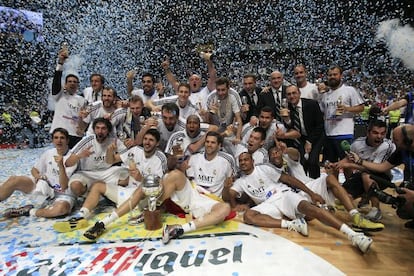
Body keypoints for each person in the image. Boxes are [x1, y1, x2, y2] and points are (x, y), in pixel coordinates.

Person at [224, 152, 373, 253]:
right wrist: (230, 196)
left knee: (311, 209)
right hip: (269, 204)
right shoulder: (241, 181)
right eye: (241, 161)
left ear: (252, 161)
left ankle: (354, 235)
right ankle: (293, 224)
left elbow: (289, 180)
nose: (243, 162)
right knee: (249, 216)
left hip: (283, 195)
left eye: (246, 159)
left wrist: (311, 193)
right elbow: (229, 195)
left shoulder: (263, 169)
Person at [77, 155, 230, 243]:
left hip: (195, 201)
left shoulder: (180, 175)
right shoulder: (169, 175)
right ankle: (103, 223)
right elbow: (138, 197)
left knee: (225, 208)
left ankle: (178, 230)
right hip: (176, 196)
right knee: (147, 185)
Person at [53, 128, 167, 232]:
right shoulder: (136, 150)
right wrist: (109, 151)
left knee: (140, 188)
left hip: (142, 200)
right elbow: (110, 161)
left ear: (157, 143)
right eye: (145, 139)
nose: (147, 142)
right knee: (97, 185)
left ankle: (106, 222)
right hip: (126, 193)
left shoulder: (160, 158)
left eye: (151, 140)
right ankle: (81, 217)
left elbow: (160, 188)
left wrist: (141, 178)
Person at [268, 144, 384, 231]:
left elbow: (296, 153)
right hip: (294, 197)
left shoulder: (289, 160)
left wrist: (286, 150)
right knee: (338, 198)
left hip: (309, 186)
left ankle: (356, 217)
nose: (275, 155)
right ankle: (328, 207)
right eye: (272, 154)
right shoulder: (268, 171)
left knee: (330, 179)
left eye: (277, 152)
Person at [2, 128, 78, 219]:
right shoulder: (49, 153)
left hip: (63, 194)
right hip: (44, 190)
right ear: (52, 140)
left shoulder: (72, 158)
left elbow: (64, 185)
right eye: (56, 138)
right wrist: (38, 176)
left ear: (67, 140)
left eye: (62, 138)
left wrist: (61, 166)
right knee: (14, 180)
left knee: (61, 210)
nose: (59, 140)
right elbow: (34, 169)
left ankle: (29, 211)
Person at [349, 124, 414, 228]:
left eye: (396, 140)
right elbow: (382, 167)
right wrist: (359, 161)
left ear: (408, 141)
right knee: (403, 207)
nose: (393, 142)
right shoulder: (402, 151)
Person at [337, 120, 395, 222]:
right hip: (362, 174)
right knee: (345, 197)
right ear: (368, 133)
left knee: (366, 175)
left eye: (382, 133)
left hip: (382, 177)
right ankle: (359, 193)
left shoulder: (387, 146)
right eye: (375, 133)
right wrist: (337, 164)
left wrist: (351, 164)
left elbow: (376, 169)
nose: (379, 137)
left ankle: (376, 209)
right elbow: (348, 159)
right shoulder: (357, 143)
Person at [65, 118, 127, 197]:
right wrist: (79, 156)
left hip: (107, 172)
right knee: (75, 186)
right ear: (94, 130)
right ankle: (95, 193)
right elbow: (68, 163)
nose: (100, 131)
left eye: (103, 128)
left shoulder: (114, 141)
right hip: (87, 173)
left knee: (129, 178)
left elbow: (127, 156)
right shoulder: (87, 140)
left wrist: (113, 154)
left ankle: (99, 190)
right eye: (97, 128)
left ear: (108, 130)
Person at [319, 65, 365, 162]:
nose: (332, 77)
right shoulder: (325, 95)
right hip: (329, 134)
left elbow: (361, 108)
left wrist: (347, 109)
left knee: (347, 164)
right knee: (331, 166)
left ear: (341, 76)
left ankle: (350, 178)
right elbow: (322, 112)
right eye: (330, 75)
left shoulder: (349, 90)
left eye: (335, 74)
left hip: (344, 133)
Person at [284, 85, 325, 178]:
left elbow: (320, 125)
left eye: (294, 93)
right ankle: (305, 184)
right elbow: (289, 127)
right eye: (289, 94)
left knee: (313, 161)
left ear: (299, 93)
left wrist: (309, 141)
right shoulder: (286, 108)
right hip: (301, 138)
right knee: (302, 162)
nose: (292, 96)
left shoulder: (312, 104)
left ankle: (316, 185)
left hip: (316, 136)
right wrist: (287, 120)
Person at [50, 47, 86, 148]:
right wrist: (60, 63)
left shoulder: (82, 100)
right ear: (65, 85)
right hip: (60, 135)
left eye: (75, 82)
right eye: (69, 81)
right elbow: (56, 80)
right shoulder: (59, 95)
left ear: (78, 85)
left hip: (76, 135)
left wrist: (82, 129)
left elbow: (85, 119)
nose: (72, 83)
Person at [186, 131, 236, 198]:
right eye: (207, 142)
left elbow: (231, 180)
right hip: (196, 198)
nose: (209, 145)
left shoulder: (227, 160)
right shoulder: (194, 158)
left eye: (213, 142)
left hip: (215, 200)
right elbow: (189, 180)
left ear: (219, 145)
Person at [206, 77, 243, 143]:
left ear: (228, 88)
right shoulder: (211, 97)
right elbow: (206, 121)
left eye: (223, 90)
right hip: (215, 129)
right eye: (218, 90)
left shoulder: (234, 95)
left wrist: (237, 137)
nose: (220, 93)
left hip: (230, 129)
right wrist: (209, 113)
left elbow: (238, 117)